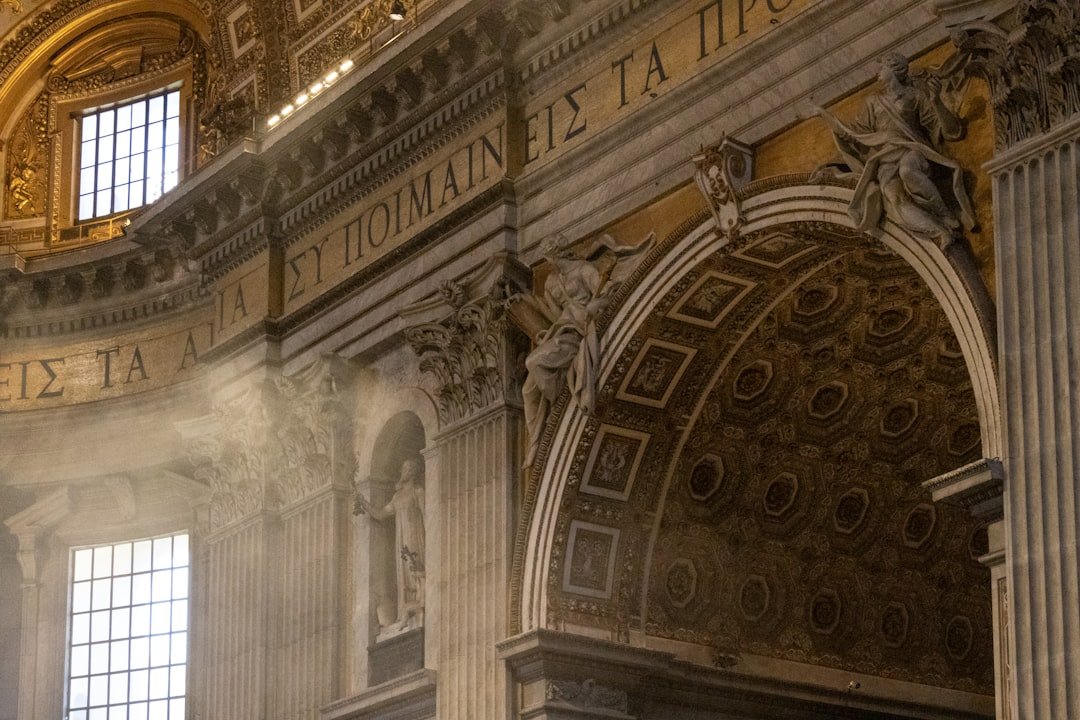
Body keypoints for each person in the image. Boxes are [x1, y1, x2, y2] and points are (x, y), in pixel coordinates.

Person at [511, 232, 653, 469]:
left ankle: (561, 401)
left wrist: (595, 306)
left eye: (550, 255)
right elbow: (555, 315)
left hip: (580, 331)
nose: (549, 261)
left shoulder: (584, 270)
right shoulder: (551, 283)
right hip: (563, 332)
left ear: (559, 252)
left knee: (533, 363)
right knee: (528, 389)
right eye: (546, 258)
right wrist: (545, 330)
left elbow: (606, 294)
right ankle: (537, 440)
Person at [816, 52, 976, 249]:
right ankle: (939, 231)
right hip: (886, 159)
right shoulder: (873, 101)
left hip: (911, 148)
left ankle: (944, 213)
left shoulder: (915, 96)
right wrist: (833, 125)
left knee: (908, 171)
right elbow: (859, 135)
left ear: (894, 68)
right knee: (896, 199)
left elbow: (947, 129)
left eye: (882, 67)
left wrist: (936, 101)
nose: (878, 73)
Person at [355, 455, 426, 629]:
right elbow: (380, 514)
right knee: (403, 573)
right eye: (403, 468)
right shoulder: (397, 496)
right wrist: (363, 502)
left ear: (413, 472)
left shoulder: (418, 491)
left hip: (415, 535)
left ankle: (419, 603)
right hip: (401, 540)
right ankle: (406, 611)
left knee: (415, 569)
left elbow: (426, 514)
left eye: (408, 468)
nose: (404, 471)